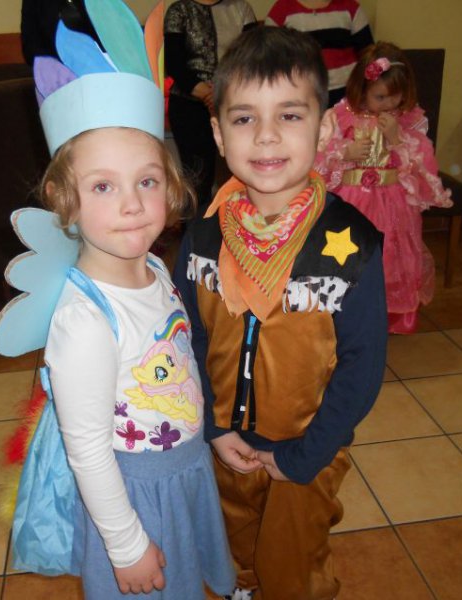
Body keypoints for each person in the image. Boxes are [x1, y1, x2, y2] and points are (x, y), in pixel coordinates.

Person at [0, 0, 236, 597]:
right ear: (64, 199)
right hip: (133, 496)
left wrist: (211, 433)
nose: (131, 204)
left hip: (181, 470)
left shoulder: (153, 268)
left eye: (146, 181)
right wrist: (127, 545)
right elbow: (89, 453)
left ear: (170, 185)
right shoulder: (84, 322)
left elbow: (180, 368)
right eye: (103, 185)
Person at [172, 26, 387, 600]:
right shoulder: (201, 238)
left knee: (293, 559)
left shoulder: (352, 245)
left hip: (308, 445)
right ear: (218, 134)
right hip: (226, 440)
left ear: (325, 126)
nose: (266, 136)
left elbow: (363, 364)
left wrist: (308, 454)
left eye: (290, 115)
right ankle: (243, 586)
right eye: (244, 118)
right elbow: (187, 340)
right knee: (234, 539)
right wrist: (214, 427)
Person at [315, 42, 452, 334]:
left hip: (392, 205)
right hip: (351, 203)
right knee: (347, 256)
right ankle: (341, 314)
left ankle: (386, 317)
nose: (389, 104)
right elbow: (317, 159)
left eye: (395, 96)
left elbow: (422, 165)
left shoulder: (411, 120)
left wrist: (397, 140)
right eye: (380, 97)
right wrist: (345, 153)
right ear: (361, 88)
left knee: (389, 258)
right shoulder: (340, 116)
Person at [164, 0, 256, 213]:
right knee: (197, 180)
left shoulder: (241, 8)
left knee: (243, 175)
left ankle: (242, 227)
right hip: (189, 105)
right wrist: (207, 93)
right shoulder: (179, 10)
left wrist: (224, 94)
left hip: (236, 104)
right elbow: (174, 63)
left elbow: (253, 58)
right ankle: (195, 231)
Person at [265, 0, 373, 107]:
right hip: (302, 96)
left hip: (348, 96)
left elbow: (369, 55)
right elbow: (267, 58)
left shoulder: (351, 7)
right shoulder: (281, 9)